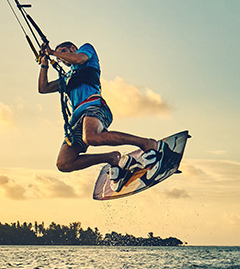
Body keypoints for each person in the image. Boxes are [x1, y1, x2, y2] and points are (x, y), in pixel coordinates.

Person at [38, 41, 158, 175]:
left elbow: (79, 59)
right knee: (64, 163)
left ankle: (146, 143)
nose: (61, 58)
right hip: (76, 119)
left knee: (91, 137)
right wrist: (44, 64)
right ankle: (111, 158)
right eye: (59, 58)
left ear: (73, 48)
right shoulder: (67, 78)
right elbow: (43, 88)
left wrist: (53, 52)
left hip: (93, 106)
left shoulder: (86, 51)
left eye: (63, 52)